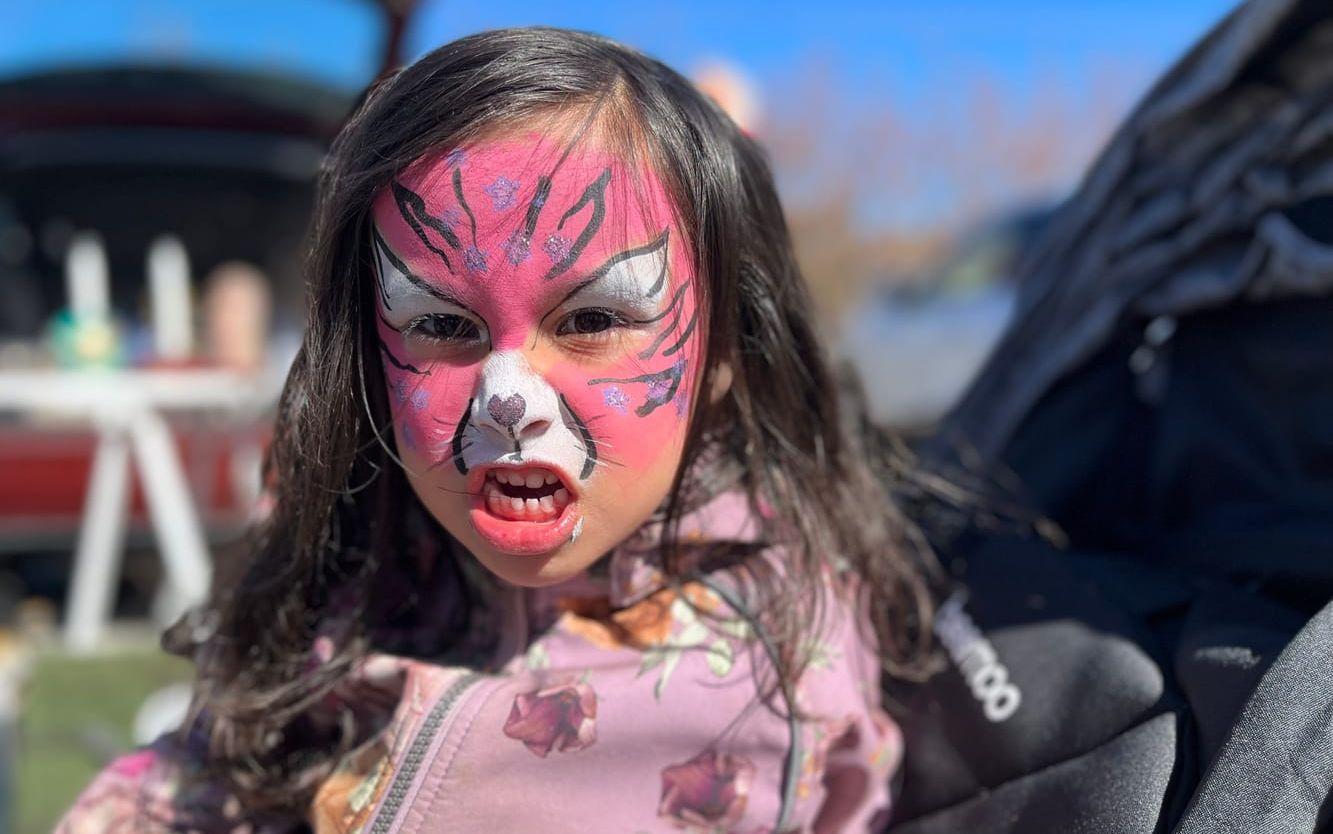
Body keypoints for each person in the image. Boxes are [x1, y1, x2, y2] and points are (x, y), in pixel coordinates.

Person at [55, 27, 934, 834]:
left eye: (592, 320)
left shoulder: (762, 673)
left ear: (724, 351)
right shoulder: (357, 553)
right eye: (440, 326)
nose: (506, 397)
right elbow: (208, 765)